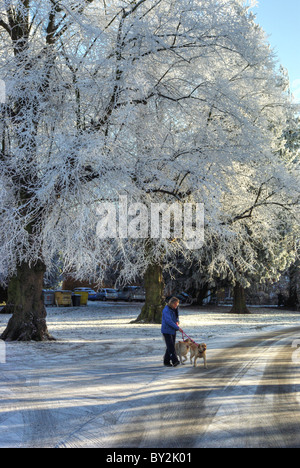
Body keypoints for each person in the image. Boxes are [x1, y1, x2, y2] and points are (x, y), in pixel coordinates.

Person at [161, 297, 182, 367]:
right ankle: (175, 361)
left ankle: (166, 361)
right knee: (171, 346)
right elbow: (168, 321)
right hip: (166, 330)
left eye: (177, 304)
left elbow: (176, 316)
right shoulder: (166, 310)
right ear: (172, 303)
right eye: (175, 304)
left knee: (170, 346)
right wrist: (177, 328)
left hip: (173, 330)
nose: (176, 306)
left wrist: (177, 321)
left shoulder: (175, 309)